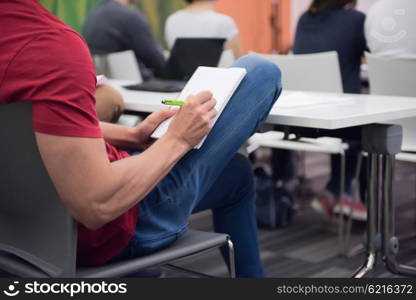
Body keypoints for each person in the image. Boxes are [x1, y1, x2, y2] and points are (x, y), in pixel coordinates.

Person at [0, 0, 282, 278]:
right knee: (260, 71)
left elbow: (34, 129)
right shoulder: (51, 45)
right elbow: (97, 204)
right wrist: (177, 139)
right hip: (112, 227)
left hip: (21, 230)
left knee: (236, 174)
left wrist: (130, 135)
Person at [272, 0, 368, 221]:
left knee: (350, 117)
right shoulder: (356, 20)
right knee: (367, 128)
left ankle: (287, 183)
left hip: (301, 119)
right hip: (340, 123)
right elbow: (372, 51)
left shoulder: (304, 19)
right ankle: (338, 193)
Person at [83, 0, 166, 81]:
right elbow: (158, 64)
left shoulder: (92, 14)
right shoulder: (131, 17)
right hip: (137, 86)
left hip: (105, 85)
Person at [165, 0, 243, 59]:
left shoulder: (172, 20)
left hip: (182, 78)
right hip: (216, 77)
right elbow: (237, 61)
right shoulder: (224, 22)